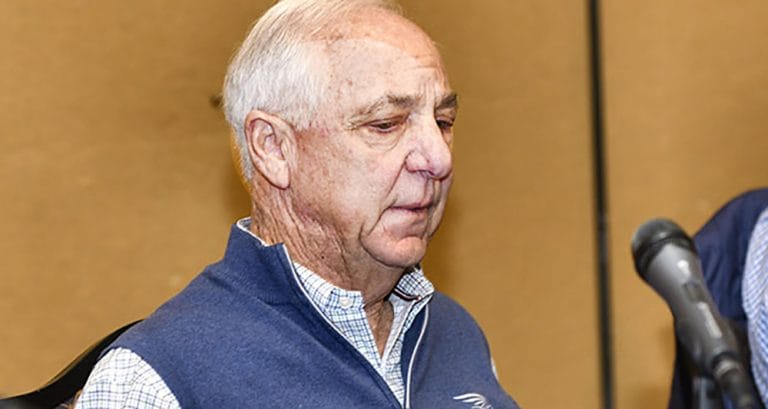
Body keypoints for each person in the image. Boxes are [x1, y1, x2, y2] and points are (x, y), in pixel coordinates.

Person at [75, 0, 520, 408]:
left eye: (443, 121)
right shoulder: (156, 379)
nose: (439, 159)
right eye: (386, 124)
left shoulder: (454, 334)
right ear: (273, 148)